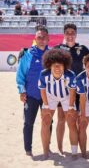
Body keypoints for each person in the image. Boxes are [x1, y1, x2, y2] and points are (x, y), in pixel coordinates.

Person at [55, 23, 89, 154]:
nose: (70, 35)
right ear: (64, 34)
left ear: (76, 34)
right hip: (62, 90)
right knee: (61, 119)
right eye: (67, 33)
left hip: (79, 90)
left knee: (77, 120)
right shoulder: (57, 49)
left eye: (72, 33)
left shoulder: (83, 49)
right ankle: (59, 148)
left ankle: (78, 149)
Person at [16, 26, 50, 157]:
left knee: (48, 122)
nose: (41, 40)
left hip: (47, 96)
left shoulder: (52, 54)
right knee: (28, 123)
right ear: (35, 39)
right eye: (39, 37)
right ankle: (28, 149)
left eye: (44, 37)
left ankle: (47, 146)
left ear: (48, 39)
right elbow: (20, 75)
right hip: (31, 95)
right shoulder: (27, 54)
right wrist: (22, 91)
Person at [39, 49, 78, 160]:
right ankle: (45, 152)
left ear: (64, 66)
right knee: (45, 121)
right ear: (49, 65)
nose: (57, 68)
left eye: (60, 65)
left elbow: (72, 92)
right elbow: (42, 90)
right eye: (54, 65)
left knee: (71, 122)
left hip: (66, 97)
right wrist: (46, 107)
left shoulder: (70, 75)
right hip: (50, 96)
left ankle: (74, 152)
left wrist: (70, 108)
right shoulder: (44, 74)